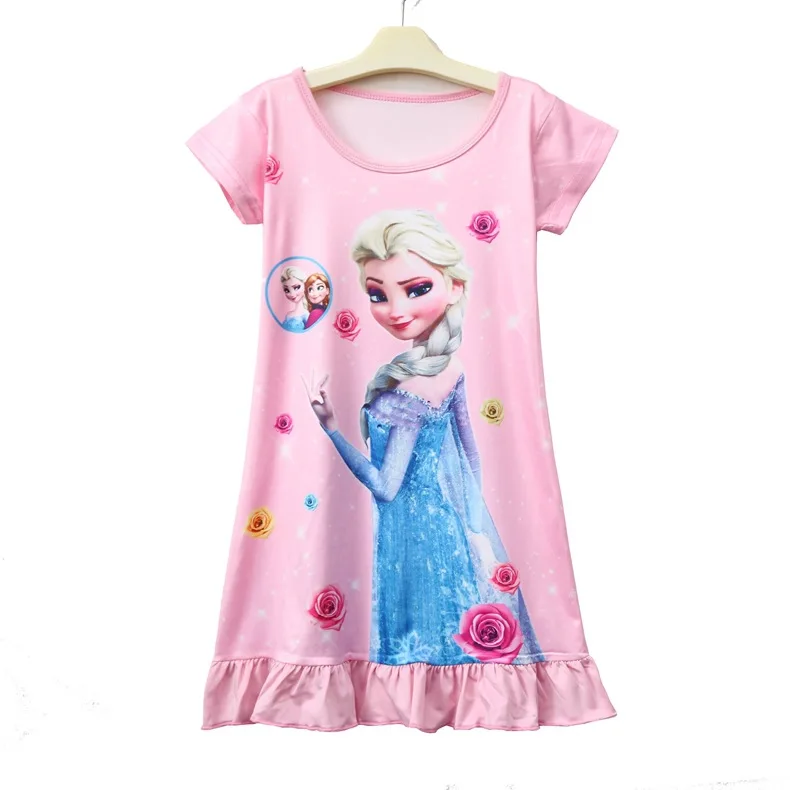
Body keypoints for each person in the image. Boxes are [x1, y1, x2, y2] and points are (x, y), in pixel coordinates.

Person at [303, 209, 544, 666]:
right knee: (451, 632)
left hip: (412, 539)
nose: (396, 310)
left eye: (416, 289)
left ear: (455, 287)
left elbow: (385, 486)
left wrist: (331, 428)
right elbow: (471, 453)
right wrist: (474, 529)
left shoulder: (410, 391)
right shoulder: (450, 369)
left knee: (420, 637)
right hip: (447, 525)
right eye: (378, 294)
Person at [279, 265, 308, 332]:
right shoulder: (288, 315)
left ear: (305, 285)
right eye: (287, 290)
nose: (292, 294)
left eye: (296, 287)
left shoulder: (306, 314)